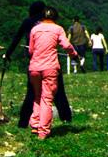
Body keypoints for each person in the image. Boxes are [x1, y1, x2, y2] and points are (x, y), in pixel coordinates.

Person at [27, 7, 77, 139]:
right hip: (50, 67)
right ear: (55, 17)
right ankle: (43, 131)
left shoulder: (34, 29)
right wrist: (74, 55)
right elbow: (66, 45)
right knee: (47, 98)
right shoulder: (58, 29)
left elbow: (31, 50)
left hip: (34, 68)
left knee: (37, 96)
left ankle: (35, 124)